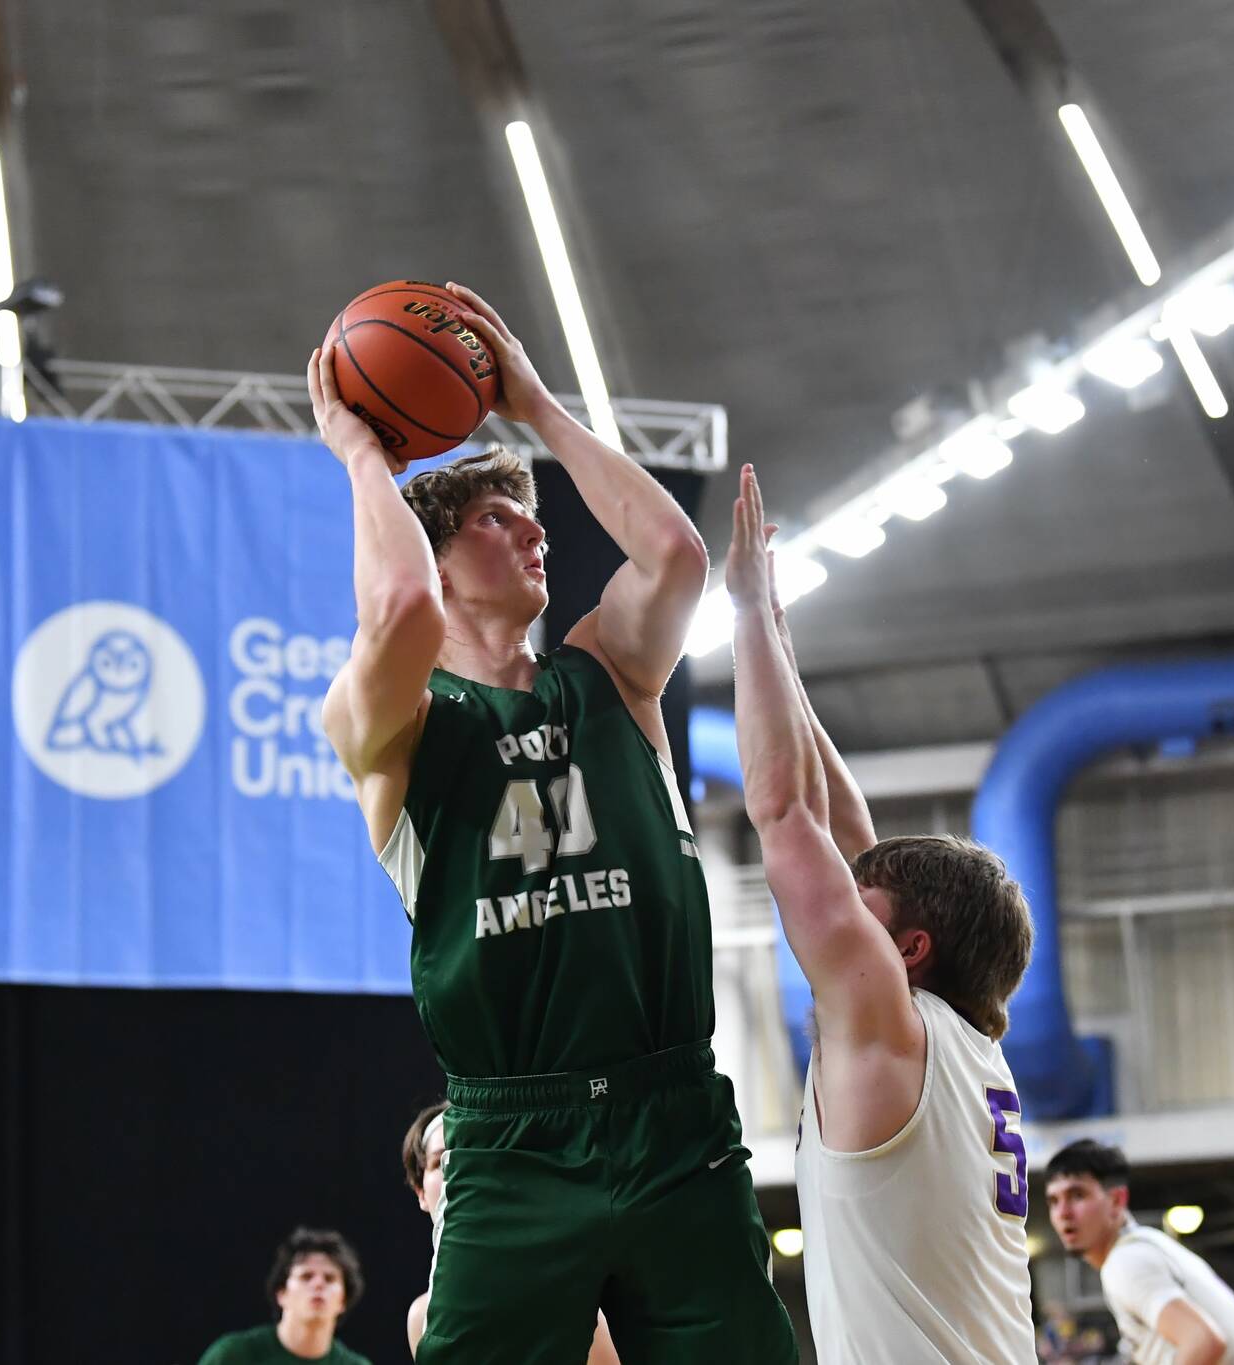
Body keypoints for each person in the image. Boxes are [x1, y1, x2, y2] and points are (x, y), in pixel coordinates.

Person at [308, 283, 793, 1364]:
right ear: (436, 560)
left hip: (672, 1110)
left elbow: (673, 555)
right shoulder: (387, 728)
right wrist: (359, 457)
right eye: (494, 518)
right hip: (512, 1136)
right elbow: (394, 613)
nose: (536, 529)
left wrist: (530, 402)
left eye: (530, 513)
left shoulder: (611, 674)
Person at [724, 461, 1038, 1365]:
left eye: (862, 908)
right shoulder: (960, 1045)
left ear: (907, 948)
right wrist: (777, 643)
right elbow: (844, 835)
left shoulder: (893, 1031)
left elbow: (786, 815)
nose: (841, 903)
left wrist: (747, 609)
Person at [397, 1102, 619, 1363]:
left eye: (469, 1158)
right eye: (442, 1161)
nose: (457, 1175)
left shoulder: (573, 1289)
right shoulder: (420, 1315)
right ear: (420, 1192)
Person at [1045, 1138, 1234, 1365]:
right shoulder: (1150, 1244)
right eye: (1054, 1201)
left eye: (1077, 1195)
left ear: (1116, 1200)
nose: (1063, 1213)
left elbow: (1204, 1341)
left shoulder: (1126, 1261)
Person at [196, 1228, 373, 1365]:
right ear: (281, 1294)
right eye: (306, 1276)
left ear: (343, 1301)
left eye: (329, 1278)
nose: (318, 1284)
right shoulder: (233, 1355)